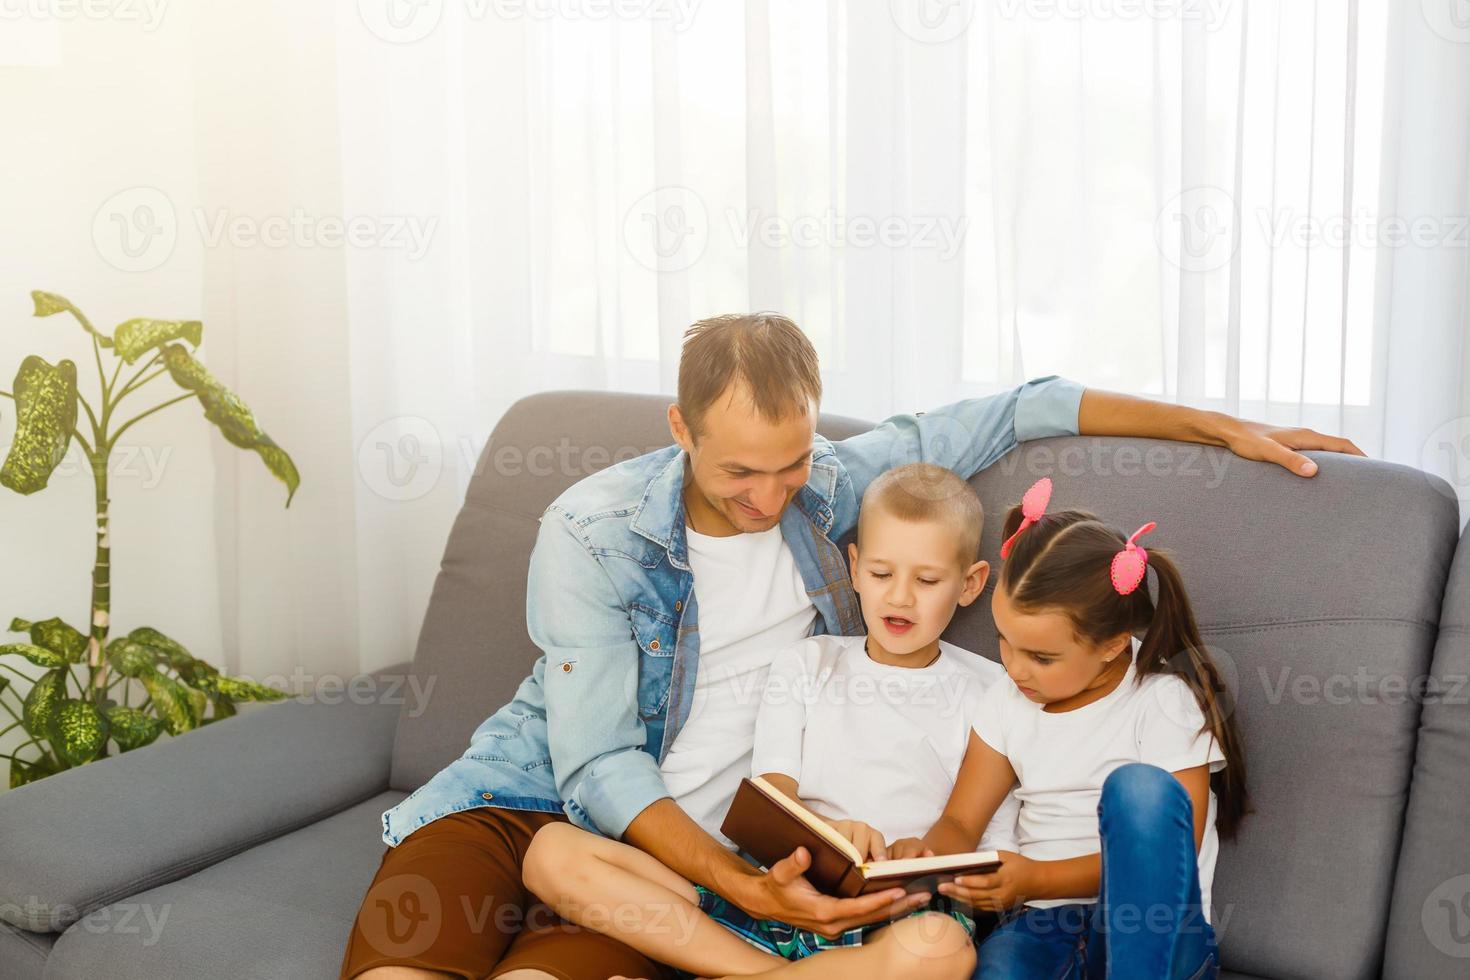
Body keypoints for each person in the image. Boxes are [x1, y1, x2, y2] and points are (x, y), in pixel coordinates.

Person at [341, 313, 1357, 980]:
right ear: (679, 429)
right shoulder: (595, 529)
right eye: (742, 469)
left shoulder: (830, 490)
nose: (772, 496)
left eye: (792, 463)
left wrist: (1212, 424)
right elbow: (598, 764)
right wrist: (744, 884)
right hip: (532, 800)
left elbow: (1014, 408)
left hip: (693, 871)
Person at [521, 463, 1017, 978]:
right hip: (785, 896)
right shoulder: (808, 661)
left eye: (927, 580)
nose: (899, 596)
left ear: (970, 583)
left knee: (941, 948)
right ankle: (762, 971)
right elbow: (773, 796)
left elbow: (986, 843)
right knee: (552, 852)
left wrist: (922, 859)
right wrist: (827, 835)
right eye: (881, 573)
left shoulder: (993, 692)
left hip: (895, 916)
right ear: (853, 567)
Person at [886, 477, 1245, 979]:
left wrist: (1035, 878)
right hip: (1039, 926)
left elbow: (1169, 857)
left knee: (1138, 790)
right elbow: (961, 823)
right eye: (1004, 641)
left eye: (1041, 656)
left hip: (1152, 931)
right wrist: (921, 862)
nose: (1014, 668)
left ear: (1113, 645)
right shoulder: (1006, 702)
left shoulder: (1163, 703)